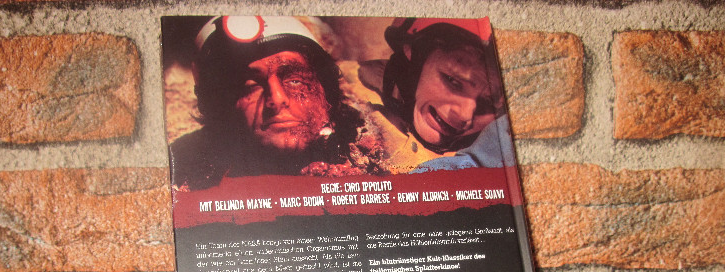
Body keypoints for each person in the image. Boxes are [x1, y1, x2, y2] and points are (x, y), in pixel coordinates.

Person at [169, 16, 362, 190]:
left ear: (326, 91)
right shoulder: (180, 168)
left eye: (295, 81)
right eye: (250, 86)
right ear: (218, 108)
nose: (277, 100)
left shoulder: (373, 142)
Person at [343, 18, 512, 172]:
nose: (464, 115)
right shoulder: (340, 89)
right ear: (414, 52)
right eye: (453, 81)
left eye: (488, 103)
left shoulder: (499, 152)